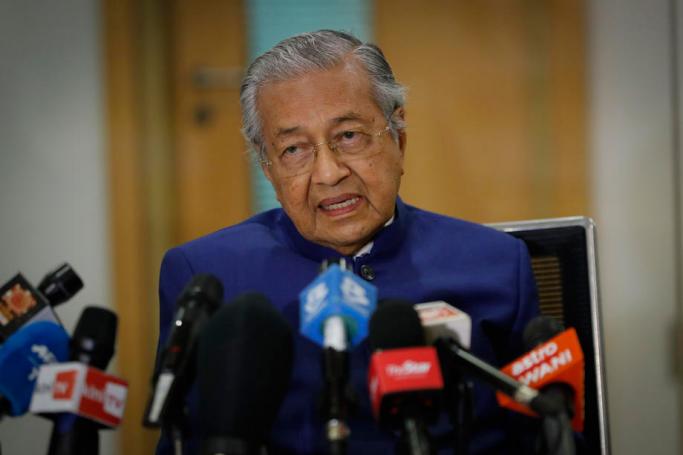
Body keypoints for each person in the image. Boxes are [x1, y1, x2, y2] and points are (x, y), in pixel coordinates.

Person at [156, 30, 539, 454]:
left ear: (399, 137)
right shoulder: (207, 276)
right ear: (268, 168)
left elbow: (545, 439)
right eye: (294, 149)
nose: (328, 173)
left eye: (349, 136)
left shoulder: (498, 264)